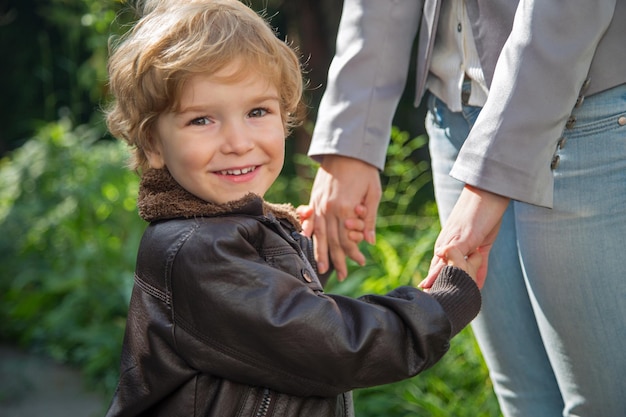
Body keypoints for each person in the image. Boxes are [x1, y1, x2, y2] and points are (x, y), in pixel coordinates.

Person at [102, 1, 483, 416]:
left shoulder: (221, 230)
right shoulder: (195, 253)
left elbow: (262, 310)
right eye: (201, 120)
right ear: (153, 143)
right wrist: (440, 306)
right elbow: (335, 346)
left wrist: (303, 244)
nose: (238, 141)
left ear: (285, 115)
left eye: (257, 112)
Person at [304, 0, 626, 416]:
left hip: (586, 109)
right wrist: (352, 135)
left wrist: (489, 181)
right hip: (454, 114)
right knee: (525, 402)